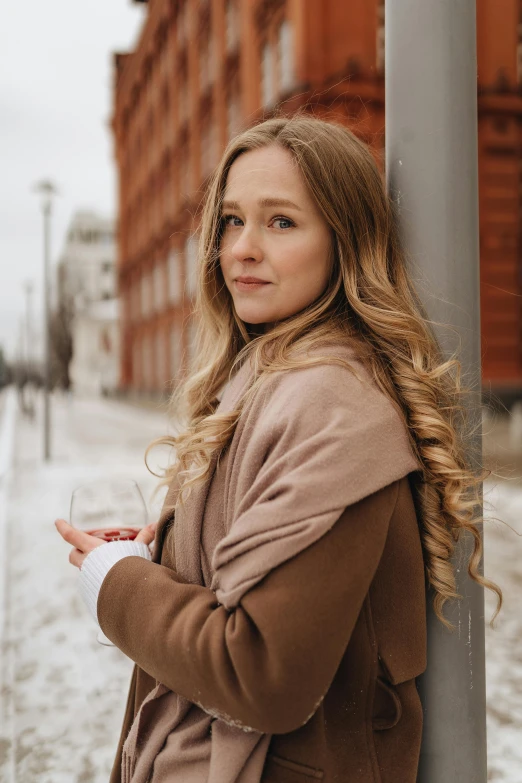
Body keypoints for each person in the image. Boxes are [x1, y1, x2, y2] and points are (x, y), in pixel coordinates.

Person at [55, 116, 501, 783]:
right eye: (232, 221)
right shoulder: (264, 378)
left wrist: (115, 584)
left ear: (344, 243)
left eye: (282, 222)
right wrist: (173, 551)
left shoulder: (331, 404)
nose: (241, 249)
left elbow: (261, 670)